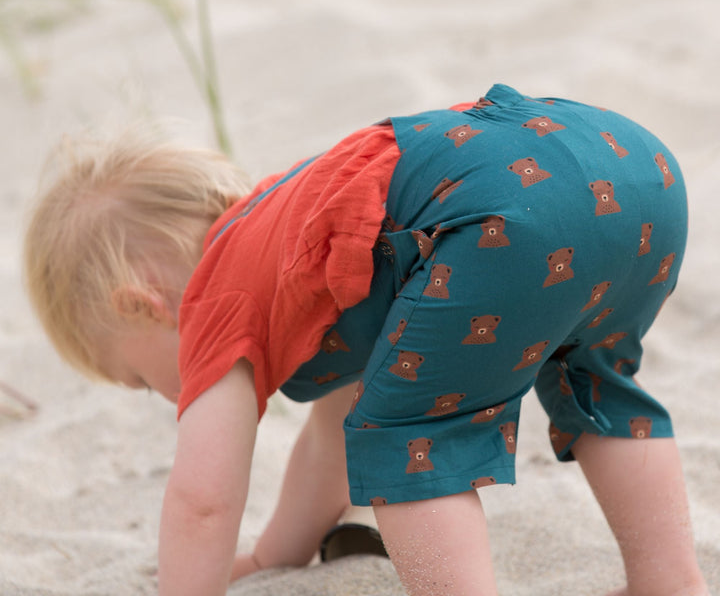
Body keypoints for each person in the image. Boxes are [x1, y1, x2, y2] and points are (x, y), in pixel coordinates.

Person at [24, 84, 709, 596]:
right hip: (628, 169)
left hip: (502, 217)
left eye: (139, 379)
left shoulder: (210, 297)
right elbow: (331, 431)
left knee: (406, 441)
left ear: (141, 305)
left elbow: (202, 501)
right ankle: (669, 581)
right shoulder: (297, 237)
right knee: (592, 381)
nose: (162, 393)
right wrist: (272, 557)